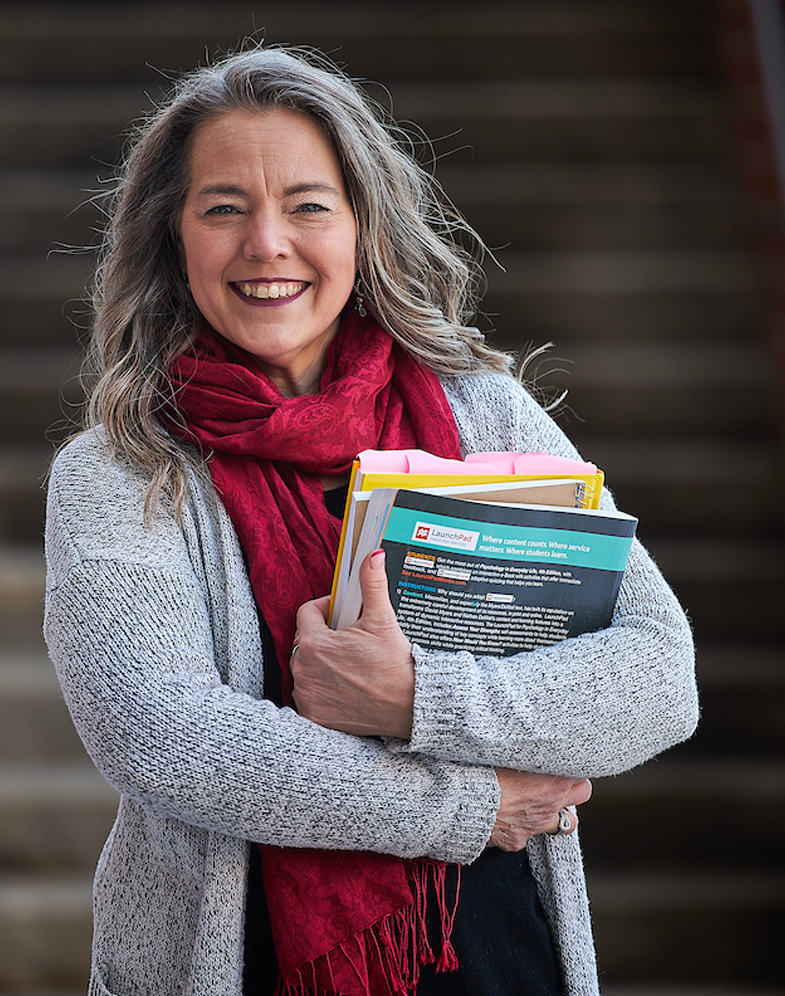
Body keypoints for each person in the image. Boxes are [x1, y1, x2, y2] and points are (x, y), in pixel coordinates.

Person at [44, 46, 697, 996]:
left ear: (364, 226)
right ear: (171, 237)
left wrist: (413, 700)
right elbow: (167, 737)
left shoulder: (484, 415)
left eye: (309, 204)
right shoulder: (120, 471)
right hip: (249, 961)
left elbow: (658, 675)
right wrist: (466, 805)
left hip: (500, 949)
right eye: (224, 207)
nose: (267, 242)